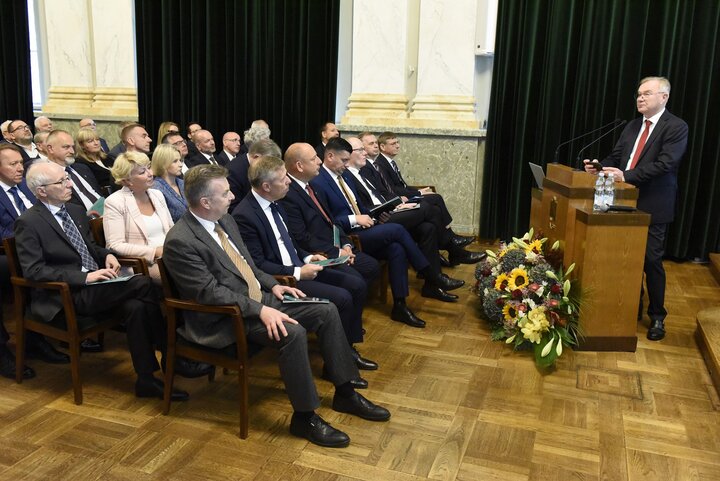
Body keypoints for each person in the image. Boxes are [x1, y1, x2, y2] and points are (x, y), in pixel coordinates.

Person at [162, 164, 390, 447]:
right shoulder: (180, 241)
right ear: (205, 202)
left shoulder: (225, 220)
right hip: (225, 318)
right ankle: (304, 417)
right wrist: (260, 309)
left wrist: (273, 284)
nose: (233, 196)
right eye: (226, 192)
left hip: (258, 299)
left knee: (327, 309)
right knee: (291, 332)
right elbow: (209, 293)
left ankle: (345, 393)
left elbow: (249, 265)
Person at [14, 161, 188, 400]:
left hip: (97, 287)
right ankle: (172, 356)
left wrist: (107, 256)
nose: (70, 184)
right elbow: (33, 271)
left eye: (67, 178)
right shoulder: (29, 222)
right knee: (144, 284)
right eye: (62, 181)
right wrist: (84, 277)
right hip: (66, 295)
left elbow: (91, 247)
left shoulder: (74, 210)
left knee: (137, 306)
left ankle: (146, 380)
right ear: (42, 191)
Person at [232, 156, 376, 378]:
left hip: (301, 267)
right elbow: (257, 264)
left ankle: (347, 348)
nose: (288, 181)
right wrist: (299, 272)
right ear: (266, 186)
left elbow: (291, 242)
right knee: (343, 297)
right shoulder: (244, 215)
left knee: (356, 284)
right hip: (284, 280)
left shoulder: (276, 203)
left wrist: (309, 258)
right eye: (283, 179)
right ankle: (336, 364)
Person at [309, 139, 463, 324]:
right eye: (343, 160)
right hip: (350, 234)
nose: (346, 164)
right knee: (398, 229)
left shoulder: (346, 176)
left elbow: (360, 205)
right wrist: (354, 219)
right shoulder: (318, 182)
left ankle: (400, 306)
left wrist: (374, 215)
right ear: (330, 156)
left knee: (399, 246)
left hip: (368, 225)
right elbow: (327, 221)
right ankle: (431, 274)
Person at [583, 76, 688, 341]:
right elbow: (616, 158)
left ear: (663, 97)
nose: (640, 98)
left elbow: (666, 164)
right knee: (622, 258)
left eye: (647, 93)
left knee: (651, 261)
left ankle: (657, 317)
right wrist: (599, 166)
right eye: (639, 94)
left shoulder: (675, 127)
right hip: (621, 202)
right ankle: (629, 307)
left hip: (654, 204)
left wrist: (625, 176)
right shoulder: (631, 127)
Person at [344, 136, 473, 282]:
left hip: (388, 209)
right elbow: (366, 205)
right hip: (379, 218)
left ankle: (432, 283)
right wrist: (397, 203)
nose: (365, 153)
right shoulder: (351, 174)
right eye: (361, 149)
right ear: (347, 154)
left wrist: (398, 204)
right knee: (427, 206)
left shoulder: (362, 172)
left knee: (428, 227)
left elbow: (383, 193)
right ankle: (448, 249)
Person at [374, 131, 476, 264]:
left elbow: (403, 185)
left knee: (431, 217)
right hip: (397, 203)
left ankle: (451, 246)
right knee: (435, 199)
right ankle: (450, 239)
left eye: (397, 142)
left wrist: (419, 190)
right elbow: (392, 190)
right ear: (382, 147)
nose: (398, 146)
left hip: (404, 197)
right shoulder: (380, 163)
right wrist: (418, 194)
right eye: (393, 143)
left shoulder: (390, 162)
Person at [0, 144, 56, 378]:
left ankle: (41, 336)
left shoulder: (25, 187)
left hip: (35, 247)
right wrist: (32, 238)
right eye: (12, 164)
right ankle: (3, 351)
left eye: (20, 162)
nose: (20, 168)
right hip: (7, 253)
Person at [103, 152, 173, 283]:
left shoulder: (157, 194)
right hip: (142, 265)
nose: (150, 173)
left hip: (171, 256)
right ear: (126, 180)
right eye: (142, 172)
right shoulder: (115, 202)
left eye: (148, 167)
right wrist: (155, 252)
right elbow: (115, 245)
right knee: (190, 273)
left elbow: (171, 228)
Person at [45, 129, 105, 213]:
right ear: (50, 149)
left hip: (107, 213)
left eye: (72, 147)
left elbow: (98, 193)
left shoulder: (82, 168)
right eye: (66, 147)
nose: (72, 151)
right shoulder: (46, 176)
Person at [228, 138, 282, 212]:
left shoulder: (255, 167)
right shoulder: (233, 171)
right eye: (267, 163)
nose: (270, 167)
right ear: (256, 157)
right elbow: (233, 206)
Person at [151, 144, 188, 222]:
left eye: (180, 160)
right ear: (162, 163)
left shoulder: (183, 183)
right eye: (175, 161)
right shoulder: (155, 189)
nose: (180, 165)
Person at [75, 127, 114, 194]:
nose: (96, 143)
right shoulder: (80, 163)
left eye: (97, 139)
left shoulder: (107, 158)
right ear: (82, 145)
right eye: (90, 141)